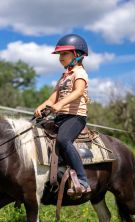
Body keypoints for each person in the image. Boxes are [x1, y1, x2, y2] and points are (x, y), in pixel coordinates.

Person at [34, 33, 91, 197]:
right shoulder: (64, 76)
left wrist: (60, 104)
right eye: (59, 54)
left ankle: (82, 180)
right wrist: (42, 105)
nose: (60, 57)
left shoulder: (80, 73)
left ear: (77, 55)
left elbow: (79, 92)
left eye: (64, 53)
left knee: (63, 140)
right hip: (60, 116)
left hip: (75, 117)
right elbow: (53, 97)